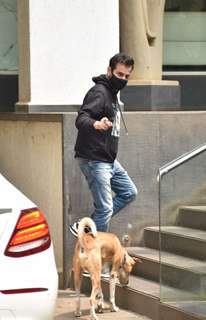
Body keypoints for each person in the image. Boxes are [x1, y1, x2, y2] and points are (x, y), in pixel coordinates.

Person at [70, 53, 138, 237]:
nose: (122, 79)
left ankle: (85, 227)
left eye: (126, 76)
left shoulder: (112, 93)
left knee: (129, 192)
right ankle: (94, 253)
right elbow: (81, 118)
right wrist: (96, 124)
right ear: (109, 71)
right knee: (105, 208)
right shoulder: (99, 92)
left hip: (107, 159)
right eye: (119, 74)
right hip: (94, 159)